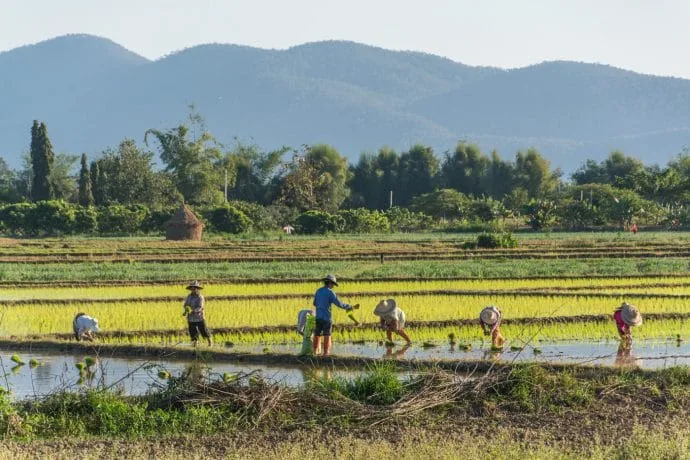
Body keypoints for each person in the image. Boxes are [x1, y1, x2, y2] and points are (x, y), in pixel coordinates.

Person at [312, 274, 358, 356]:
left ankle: (315, 352)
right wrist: (351, 307)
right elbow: (339, 304)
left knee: (317, 334)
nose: (333, 286)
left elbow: (314, 303)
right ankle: (326, 353)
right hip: (326, 317)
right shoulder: (331, 293)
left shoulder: (318, 291)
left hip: (318, 317)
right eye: (333, 284)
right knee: (327, 334)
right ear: (329, 283)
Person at [183, 280, 212, 347]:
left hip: (199, 317)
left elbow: (200, 307)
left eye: (194, 288)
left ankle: (210, 343)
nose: (193, 289)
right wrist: (186, 309)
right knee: (193, 332)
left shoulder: (200, 297)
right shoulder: (189, 296)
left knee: (204, 331)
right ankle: (195, 344)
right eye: (192, 288)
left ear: (197, 289)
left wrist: (193, 311)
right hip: (191, 318)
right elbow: (186, 304)